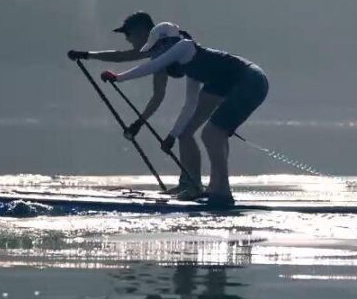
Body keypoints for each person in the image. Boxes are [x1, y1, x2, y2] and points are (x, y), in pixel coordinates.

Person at [70, 13, 269, 208]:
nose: (155, 54)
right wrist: (173, 135)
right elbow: (190, 105)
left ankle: (222, 193)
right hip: (226, 82)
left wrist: (118, 78)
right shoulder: (191, 66)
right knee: (197, 133)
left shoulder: (183, 47)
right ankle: (211, 188)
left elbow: (153, 65)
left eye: (157, 49)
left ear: (165, 44)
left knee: (211, 134)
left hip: (250, 80)